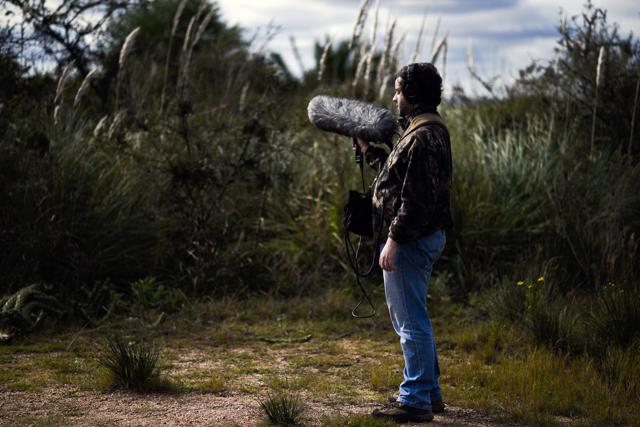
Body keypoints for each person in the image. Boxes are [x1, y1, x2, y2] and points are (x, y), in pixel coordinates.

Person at [355, 62, 453, 423]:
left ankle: (415, 399)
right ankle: (429, 394)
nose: (394, 97)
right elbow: (399, 176)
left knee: (410, 322)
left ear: (412, 95)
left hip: (412, 240)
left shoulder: (424, 137)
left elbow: (416, 200)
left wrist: (393, 240)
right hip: (419, 237)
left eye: (398, 91)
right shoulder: (424, 131)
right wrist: (368, 151)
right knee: (416, 317)